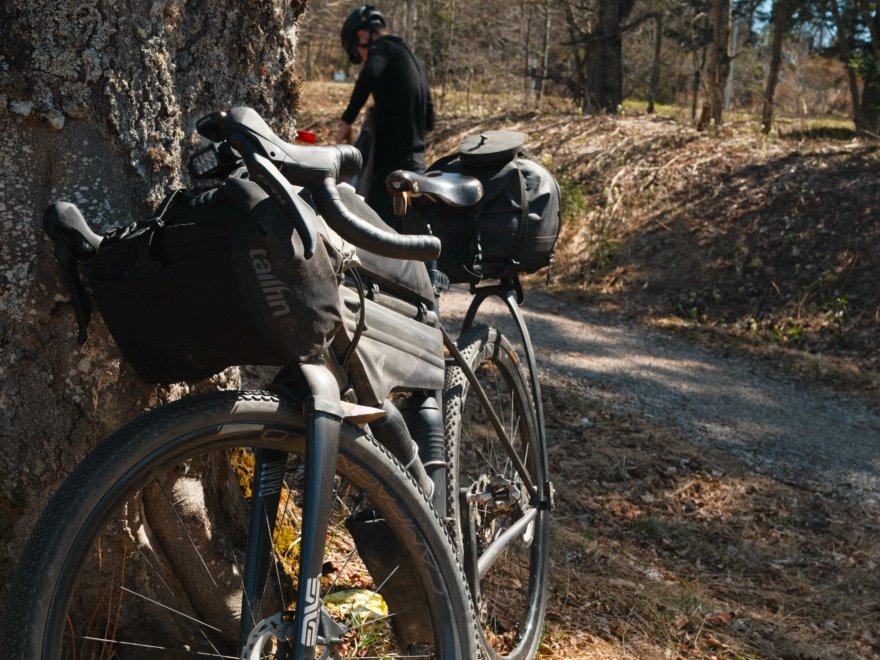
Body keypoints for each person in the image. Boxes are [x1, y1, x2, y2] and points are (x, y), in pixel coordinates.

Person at [337, 5, 435, 228]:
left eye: (358, 54)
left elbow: (370, 74)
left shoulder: (382, 48)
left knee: (379, 233)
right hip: (417, 164)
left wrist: (347, 120)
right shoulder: (414, 60)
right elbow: (429, 119)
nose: (363, 60)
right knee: (413, 234)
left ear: (363, 35)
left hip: (390, 167)